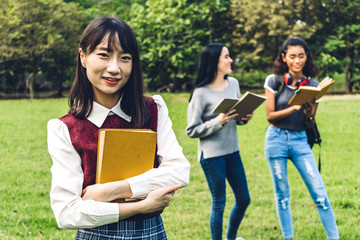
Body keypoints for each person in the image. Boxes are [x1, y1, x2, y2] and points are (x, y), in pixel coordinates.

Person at [47, 17, 190, 239]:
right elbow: (67, 213)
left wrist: (111, 190)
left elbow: (179, 171)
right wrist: (139, 206)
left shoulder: (153, 109)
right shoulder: (65, 128)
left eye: (125, 58)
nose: (114, 68)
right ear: (83, 57)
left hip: (151, 233)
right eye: (104, 55)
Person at [264, 37, 339, 240]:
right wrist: (294, 106)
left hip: (299, 141)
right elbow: (270, 115)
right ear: (284, 57)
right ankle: (288, 237)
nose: (297, 61)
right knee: (282, 196)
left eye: (301, 56)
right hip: (275, 139)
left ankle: (335, 237)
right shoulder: (274, 81)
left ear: (307, 57)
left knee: (320, 194)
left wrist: (308, 112)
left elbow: (310, 122)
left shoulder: (313, 85)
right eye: (292, 56)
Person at [186, 43, 252, 240]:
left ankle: (230, 238)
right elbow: (191, 130)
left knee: (243, 199)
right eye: (226, 56)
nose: (230, 60)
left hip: (232, 150)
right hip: (212, 156)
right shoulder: (200, 93)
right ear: (214, 61)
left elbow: (237, 118)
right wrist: (218, 121)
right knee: (219, 202)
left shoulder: (234, 84)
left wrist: (243, 118)